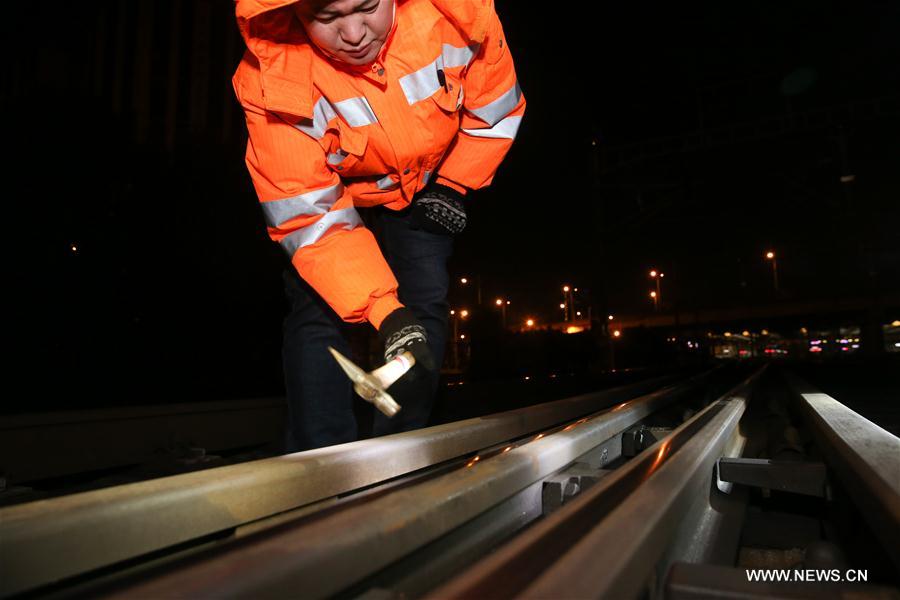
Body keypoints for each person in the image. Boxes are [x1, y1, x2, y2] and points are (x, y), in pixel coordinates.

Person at [232, 0, 525, 451]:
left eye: (366, 7)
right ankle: (320, 460)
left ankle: (400, 452)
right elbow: (309, 216)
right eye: (326, 19)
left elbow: (497, 110)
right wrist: (384, 313)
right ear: (295, 14)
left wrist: (453, 184)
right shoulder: (272, 78)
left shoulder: (459, 19)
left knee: (423, 300)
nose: (352, 34)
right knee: (316, 309)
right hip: (334, 194)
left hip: (425, 183)